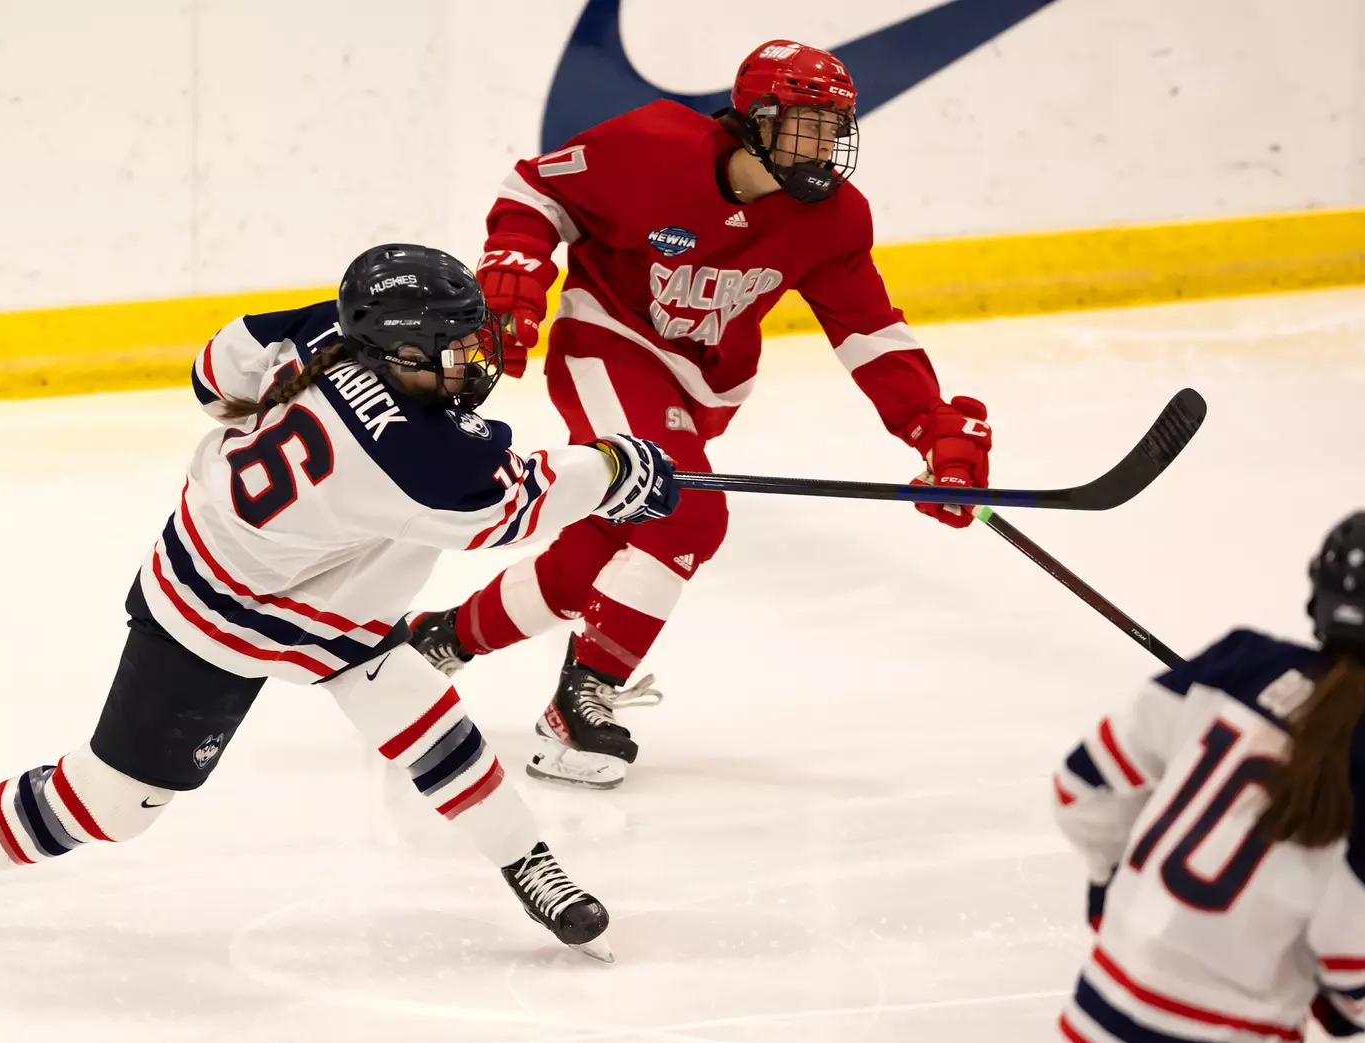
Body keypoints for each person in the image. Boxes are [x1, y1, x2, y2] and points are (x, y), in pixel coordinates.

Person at [0, 244, 680, 961]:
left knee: (424, 718)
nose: (470, 360)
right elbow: (511, 507)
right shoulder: (416, 460)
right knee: (113, 804)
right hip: (220, 611)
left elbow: (215, 373)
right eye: (447, 347)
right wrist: (619, 471)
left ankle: (528, 861)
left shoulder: (328, 337)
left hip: (312, 591)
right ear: (394, 355)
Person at [406, 39, 995, 789]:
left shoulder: (835, 218)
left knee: (599, 547)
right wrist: (515, 269)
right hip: (608, 344)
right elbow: (533, 192)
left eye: (835, 126)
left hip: (702, 388)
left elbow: (868, 330)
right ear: (755, 120)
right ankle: (577, 705)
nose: (826, 144)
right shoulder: (651, 147)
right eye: (807, 123)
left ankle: (439, 641)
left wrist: (929, 424)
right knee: (684, 515)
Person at [1052, 511, 1365, 1043]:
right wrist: (1350, 1008)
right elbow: (1350, 953)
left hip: (1096, 1032)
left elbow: (1082, 785)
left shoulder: (1241, 661)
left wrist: (1114, 888)